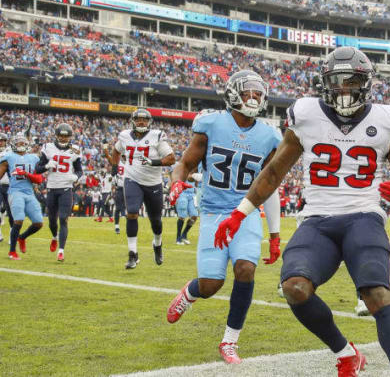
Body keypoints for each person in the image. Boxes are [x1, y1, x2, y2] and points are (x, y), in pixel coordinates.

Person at [213, 47, 390, 377]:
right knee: (294, 287)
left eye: (350, 81)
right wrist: (240, 213)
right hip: (317, 219)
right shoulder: (306, 114)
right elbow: (273, 173)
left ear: (365, 83)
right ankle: (345, 353)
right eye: (336, 82)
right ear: (322, 83)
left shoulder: (388, 119)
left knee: (376, 294)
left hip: (364, 216)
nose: (343, 89)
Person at [164, 70, 282, 364]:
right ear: (233, 95)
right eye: (247, 92)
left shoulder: (270, 136)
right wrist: (177, 181)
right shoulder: (212, 124)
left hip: (246, 213)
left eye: (258, 92)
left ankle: (230, 341)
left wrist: (276, 234)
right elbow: (185, 164)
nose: (253, 97)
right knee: (210, 285)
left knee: (245, 269)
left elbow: (270, 185)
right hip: (214, 213)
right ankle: (189, 294)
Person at [110, 108, 175, 269]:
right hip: (132, 179)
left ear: (149, 122)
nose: (141, 122)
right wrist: (114, 169)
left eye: (145, 120)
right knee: (131, 212)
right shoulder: (124, 136)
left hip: (153, 183)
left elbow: (171, 158)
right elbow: (116, 151)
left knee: (156, 221)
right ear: (132, 120)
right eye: (138, 119)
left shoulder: (157, 136)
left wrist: (153, 162)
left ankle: (157, 244)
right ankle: (133, 254)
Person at [35, 123, 83, 261]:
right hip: (51, 187)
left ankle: (61, 250)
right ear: (56, 135)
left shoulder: (75, 150)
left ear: (70, 136)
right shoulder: (48, 147)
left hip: (66, 188)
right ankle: (54, 237)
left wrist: (75, 177)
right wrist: (46, 166)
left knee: (63, 219)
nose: (63, 138)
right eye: (61, 136)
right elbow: (37, 169)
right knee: (51, 220)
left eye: (66, 136)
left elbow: (79, 170)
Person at [0, 135, 44, 260]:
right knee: (18, 219)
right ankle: (12, 251)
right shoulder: (8, 157)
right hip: (15, 191)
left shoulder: (33, 158)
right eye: (18, 142)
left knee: (39, 223)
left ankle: (22, 237)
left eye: (22, 142)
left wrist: (26, 173)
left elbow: (39, 179)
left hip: (29, 192)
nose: (20, 144)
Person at [175, 172, 202, 245]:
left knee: (194, 216)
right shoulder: (184, 166)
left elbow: (196, 182)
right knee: (182, 215)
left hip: (192, 194)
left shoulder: (196, 168)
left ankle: (184, 234)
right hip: (182, 193)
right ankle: (178, 237)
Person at [0, 133, 12, 243]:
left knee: (10, 210)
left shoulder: (9, 152)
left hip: (7, 184)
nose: (0, 142)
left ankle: (12, 234)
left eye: (2, 140)